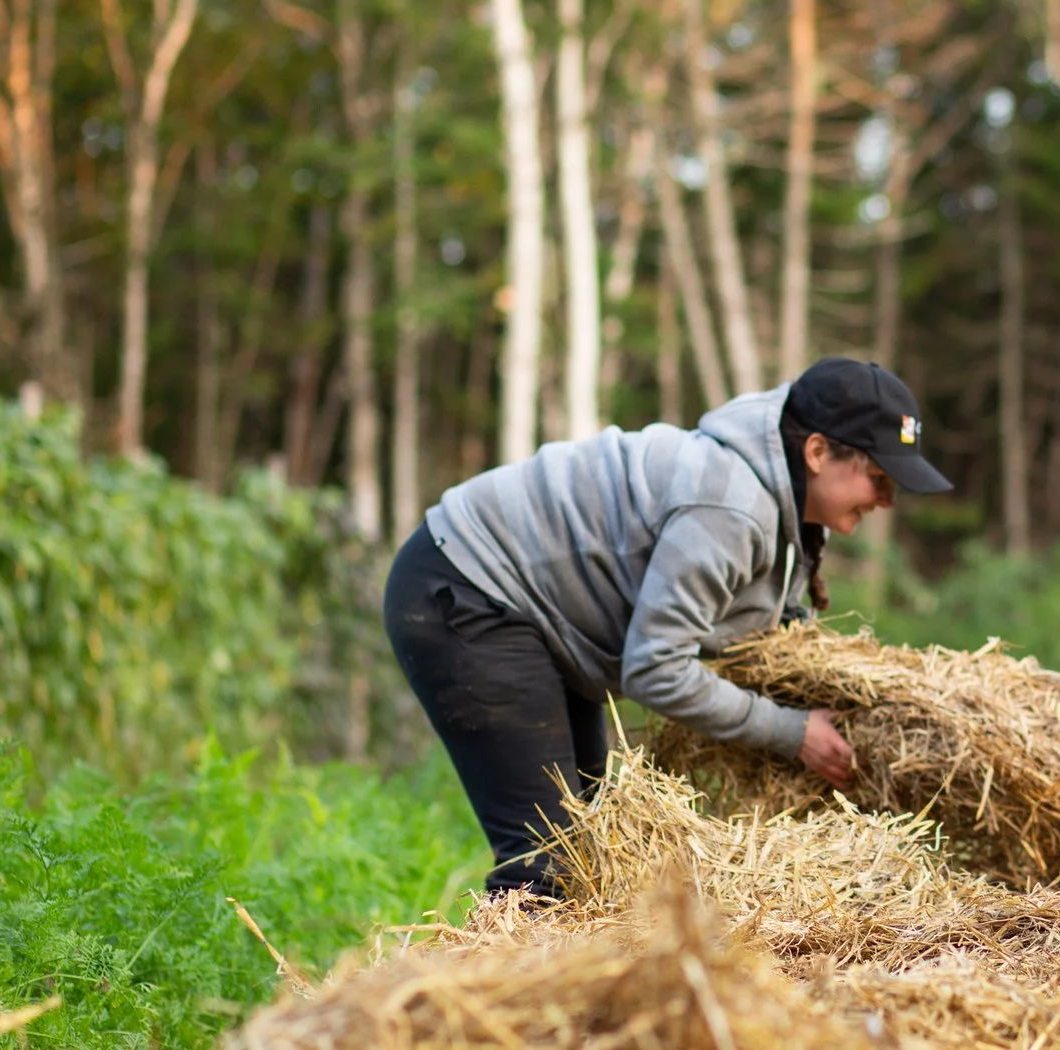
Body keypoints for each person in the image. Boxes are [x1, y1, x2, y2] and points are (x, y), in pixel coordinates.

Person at [384, 358, 951, 898]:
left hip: (529, 616)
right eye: (878, 477)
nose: (887, 499)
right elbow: (656, 669)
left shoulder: (780, 504)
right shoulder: (729, 506)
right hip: (467, 590)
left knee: (593, 853)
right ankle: (467, 997)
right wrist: (791, 731)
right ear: (818, 452)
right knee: (547, 868)